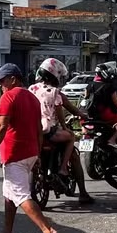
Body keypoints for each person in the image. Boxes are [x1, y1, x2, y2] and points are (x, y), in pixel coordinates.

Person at [0, 63, 61, 233]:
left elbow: (1, 127)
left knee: (20, 194)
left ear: (13, 79)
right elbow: (38, 128)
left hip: (14, 153)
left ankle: (47, 231)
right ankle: (7, 232)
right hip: (30, 152)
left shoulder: (8, 97)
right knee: (10, 193)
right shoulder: (32, 98)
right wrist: (38, 152)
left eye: (3, 81)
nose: (1, 85)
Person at [28, 58, 94, 204]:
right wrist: (66, 126)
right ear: (55, 75)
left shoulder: (31, 89)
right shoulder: (55, 92)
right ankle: (66, 171)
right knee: (71, 139)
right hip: (48, 131)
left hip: (32, 130)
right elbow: (63, 113)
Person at [85, 62, 117, 145]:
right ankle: (112, 140)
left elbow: (85, 98)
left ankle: (86, 136)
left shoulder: (90, 85)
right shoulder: (110, 87)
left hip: (90, 115)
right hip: (106, 115)